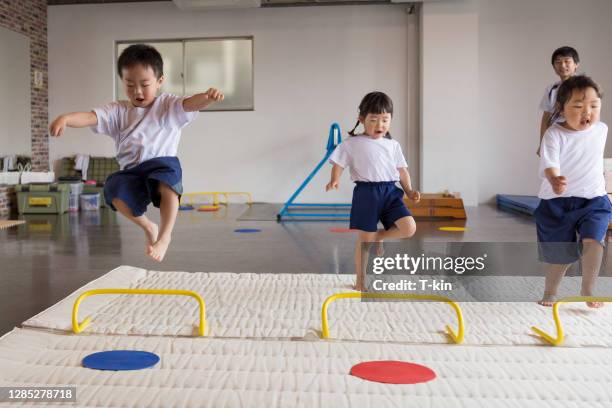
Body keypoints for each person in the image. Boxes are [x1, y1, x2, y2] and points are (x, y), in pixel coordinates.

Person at [49, 44, 224, 262]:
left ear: (160, 81)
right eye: (130, 85)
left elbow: (189, 104)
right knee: (112, 188)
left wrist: (208, 98)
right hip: (132, 171)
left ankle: (165, 236)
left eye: (145, 84)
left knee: (167, 182)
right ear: (122, 82)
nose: (137, 91)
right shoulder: (118, 110)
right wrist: (65, 118)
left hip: (162, 163)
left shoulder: (167, 105)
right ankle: (148, 226)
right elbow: (89, 117)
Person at [326, 91, 420, 291]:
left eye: (385, 120)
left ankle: (380, 236)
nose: (380, 125)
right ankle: (360, 280)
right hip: (366, 194)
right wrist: (335, 179)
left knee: (409, 228)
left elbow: (402, 171)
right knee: (364, 241)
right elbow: (339, 163)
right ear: (362, 119)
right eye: (374, 119)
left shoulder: (393, 145)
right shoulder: (351, 144)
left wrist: (410, 191)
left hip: (390, 193)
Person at [535, 75, 611, 308]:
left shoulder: (601, 129)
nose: (587, 112)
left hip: (594, 200)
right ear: (561, 108)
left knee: (594, 241)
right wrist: (555, 178)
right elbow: (550, 163)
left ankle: (588, 289)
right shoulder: (554, 134)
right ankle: (550, 292)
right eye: (578, 106)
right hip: (558, 202)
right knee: (563, 256)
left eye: (594, 106)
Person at [538, 46, 580, 155]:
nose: (562, 65)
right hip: (554, 137)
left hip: (576, 138)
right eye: (558, 62)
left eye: (567, 61)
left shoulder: (584, 87)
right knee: (554, 170)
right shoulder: (551, 89)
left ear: (576, 64)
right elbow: (545, 118)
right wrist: (542, 143)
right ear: (553, 66)